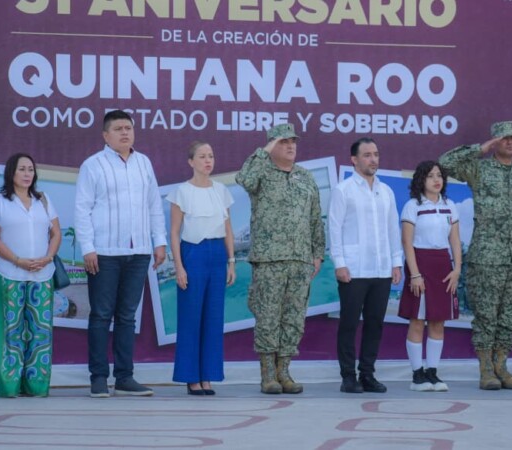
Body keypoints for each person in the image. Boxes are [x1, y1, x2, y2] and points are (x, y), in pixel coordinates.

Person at [74, 110, 167, 398]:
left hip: (138, 251)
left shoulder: (144, 163)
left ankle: (125, 377)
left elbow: (153, 205)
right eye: (118, 129)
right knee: (101, 315)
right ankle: (99, 378)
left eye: (128, 128)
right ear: (106, 135)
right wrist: (88, 248)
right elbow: (82, 209)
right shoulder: (93, 165)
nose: (125, 133)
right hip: (103, 252)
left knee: (127, 316)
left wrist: (159, 241)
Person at [439, 121, 512, 390]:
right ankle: (485, 371)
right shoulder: (479, 169)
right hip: (487, 256)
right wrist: (481, 149)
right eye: (504, 139)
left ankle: (502, 367)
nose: (511, 142)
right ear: (495, 141)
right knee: (487, 316)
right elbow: (445, 163)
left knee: (511, 316)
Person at [236, 123, 325, 395]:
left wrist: (317, 252)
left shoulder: (305, 177)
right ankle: (267, 375)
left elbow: (314, 217)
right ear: (272, 145)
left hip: (300, 260)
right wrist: (265, 150)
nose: (290, 146)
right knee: (268, 317)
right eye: (283, 142)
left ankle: (284, 371)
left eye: (293, 141)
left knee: (294, 318)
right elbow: (243, 178)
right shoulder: (261, 173)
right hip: (269, 259)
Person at [329, 137, 403, 394]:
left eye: (376, 154)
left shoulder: (387, 191)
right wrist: (339, 263)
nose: (373, 159)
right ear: (354, 160)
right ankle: (348, 376)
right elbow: (334, 229)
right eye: (368, 155)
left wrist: (396, 262)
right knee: (349, 323)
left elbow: (393, 228)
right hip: (353, 269)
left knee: (375, 324)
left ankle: (368, 374)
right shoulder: (344, 190)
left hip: (382, 269)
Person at [0, 153, 61, 397]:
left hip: (42, 274)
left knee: (40, 333)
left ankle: (37, 386)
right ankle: (9, 386)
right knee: (10, 331)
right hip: (9, 274)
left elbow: (56, 233)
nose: (28, 174)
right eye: (22, 169)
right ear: (11, 173)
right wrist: (18, 260)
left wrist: (48, 257)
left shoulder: (44, 200)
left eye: (31, 169)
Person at [168, 141, 236, 395]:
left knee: (213, 317)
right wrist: (179, 267)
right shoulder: (181, 192)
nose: (208, 160)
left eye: (211, 156)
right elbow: (174, 233)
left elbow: (228, 229)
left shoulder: (221, 190)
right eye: (202, 156)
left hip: (217, 254)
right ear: (191, 162)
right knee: (190, 317)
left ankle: (208, 375)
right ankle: (190, 377)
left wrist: (231, 261)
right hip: (193, 253)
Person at [399, 161, 462, 392]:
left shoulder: (450, 206)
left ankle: (432, 372)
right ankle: (417, 375)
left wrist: (457, 269)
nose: (436, 180)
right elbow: (407, 242)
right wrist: (414, 274)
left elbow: (455, 240)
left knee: (438, 321)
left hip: (443, 265)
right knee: (418, 319)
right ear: (420, 180)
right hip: (420, 264)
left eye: (439, 175)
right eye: (430, 176)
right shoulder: (412, 206)